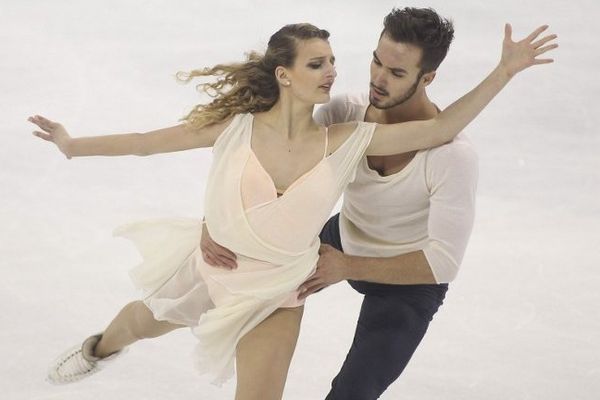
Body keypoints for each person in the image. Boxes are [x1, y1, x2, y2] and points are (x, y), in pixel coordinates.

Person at [30, 18, 556, 400]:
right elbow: (151, 142)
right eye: (319, 63)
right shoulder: (279, 122)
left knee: (321, 394)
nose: (344, 73)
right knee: (139, 323)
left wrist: (504, 71)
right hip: (235, 261)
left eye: (333, 61)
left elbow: (440, 139)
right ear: (285, 74)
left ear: (425, 76)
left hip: (318, 281)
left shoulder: (353, 136)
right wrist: (74, 145)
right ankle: (99, 348)